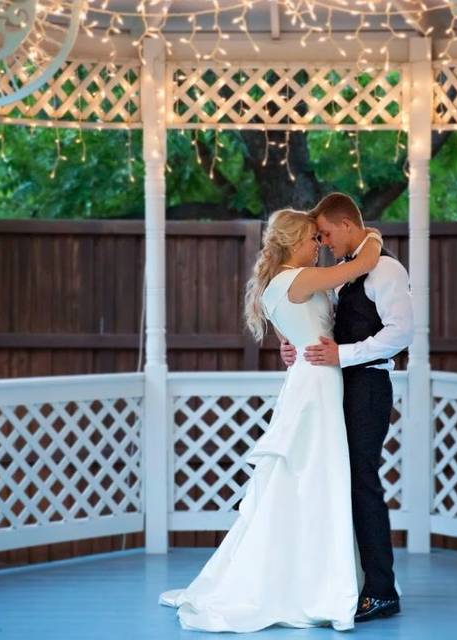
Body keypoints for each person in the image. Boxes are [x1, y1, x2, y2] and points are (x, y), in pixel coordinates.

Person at [159, 208, 384, 632]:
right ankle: (307, 582)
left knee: (310, 477)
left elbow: (296, 335)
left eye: (320, 239)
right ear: (295, 241)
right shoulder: (294, 279)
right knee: (314, 475)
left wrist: (293, 346)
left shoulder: (282, 284)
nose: (318, 245)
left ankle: (318, 574)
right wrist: (370, 234)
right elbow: (362, 264)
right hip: (316, 384)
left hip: (314, 377)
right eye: (312, 239)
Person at [282, 192, 413, 622]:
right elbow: (331, 325)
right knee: (341, 480)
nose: (323, 243)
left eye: (324, 234)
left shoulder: (387, 269)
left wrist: (344, 355)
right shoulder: (344, 277)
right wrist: (296, 346)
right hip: (341, 386)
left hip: (370, 387)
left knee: (363, 483)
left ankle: (381, 590)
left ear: (344, 225)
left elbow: (400, 334)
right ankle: (349, 580)